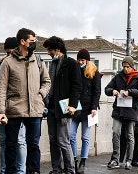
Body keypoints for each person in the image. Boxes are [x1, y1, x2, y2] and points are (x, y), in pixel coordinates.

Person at [0, 28, 51, 174]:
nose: (34, 43)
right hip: (14, 109)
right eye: (32, 41)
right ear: (22, 42)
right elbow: (1, 88)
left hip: (35, 110)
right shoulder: (7, 63)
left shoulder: (38, 60)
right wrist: (0, 111)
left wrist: (40, 94)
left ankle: (34, 171)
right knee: (11, 145)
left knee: (33, 145)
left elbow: (47, 81)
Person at [41, 36, 82, 174]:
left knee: (62, 140)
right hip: (51, 107)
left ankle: (70, 169)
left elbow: (77, 86)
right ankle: (56, 168)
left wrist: (73, 105)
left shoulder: (71, 64)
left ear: (58, 49)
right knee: (53, 140)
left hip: (64, 108)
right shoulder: (53, 64)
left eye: (50, 50)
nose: (48, 53)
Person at [0, 37, 27, 174]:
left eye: (11, 52)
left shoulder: (24, 63)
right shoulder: (2, 64)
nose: (9, 55)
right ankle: (4, 170)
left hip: (18, 108)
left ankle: (20, 170)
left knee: (20, 140)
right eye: (7, 53)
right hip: (1, 108)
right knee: (3, 141)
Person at [105, 56, 138, 170]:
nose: (125, 69)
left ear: (132, 67)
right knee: (115, 133)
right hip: (118, 110)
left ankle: (129, 160)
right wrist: (112, 91)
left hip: (131, 110)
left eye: (128, 67)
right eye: (124, 67)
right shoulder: (118, 77)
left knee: (130, 136)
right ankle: (115, 159)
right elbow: (107, 88)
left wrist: (130, 92)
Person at [69, 49, 100, 174]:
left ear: (87, 60)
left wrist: (94, 107)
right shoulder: (75, 71)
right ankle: (74, 159)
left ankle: (83, 162)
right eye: (79, 60)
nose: (80, 62)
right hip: (76, 108)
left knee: (85, 137)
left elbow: (96, 91)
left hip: (88, 110)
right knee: (70, 135)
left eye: (83, 60)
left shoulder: (94, 72)